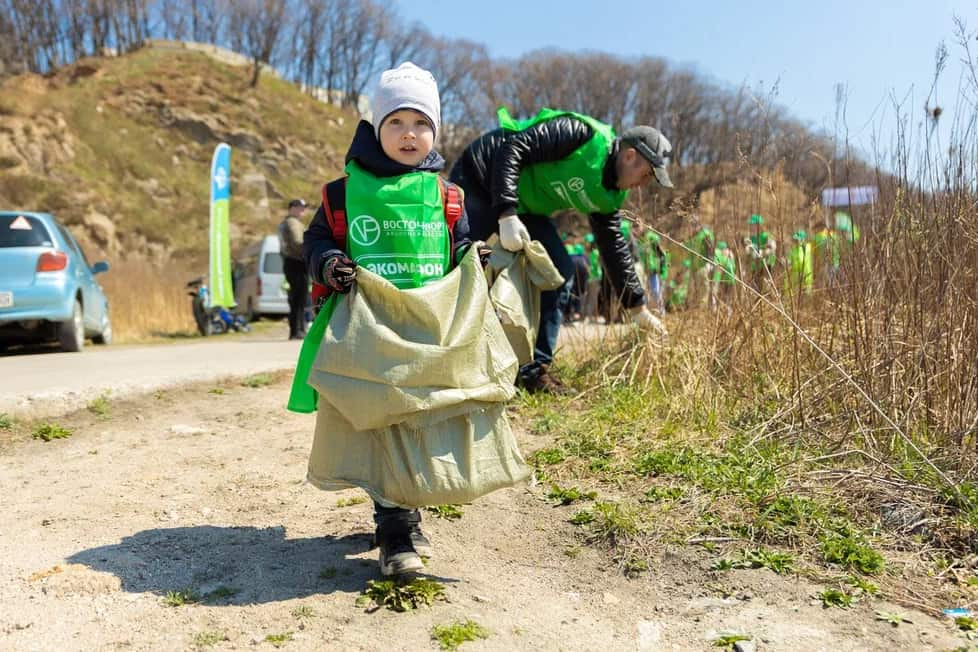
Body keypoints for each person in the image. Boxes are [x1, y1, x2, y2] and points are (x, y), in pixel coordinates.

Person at [302, 62, 476, 576]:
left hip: (426, 334)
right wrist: (329, 264)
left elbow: (460, 245)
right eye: (396, 121)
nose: (409, 134)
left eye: (421, 123)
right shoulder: (341, 194)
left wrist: (474, 259)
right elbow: (317, 242)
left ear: (435, 132)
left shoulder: (448, 196)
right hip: (367, 333)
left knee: (419, 422)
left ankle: (405, 509)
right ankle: (396, 530)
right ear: (376, 128)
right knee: (382, 425)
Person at [449, 107, 673, 392]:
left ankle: (534, 372)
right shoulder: (580, 135)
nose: (645, 184)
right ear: (630, 156)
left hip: (525, 207)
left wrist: (637, 306)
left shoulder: (610, 195)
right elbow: (513, 147)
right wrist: (506, 212)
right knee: (466, 265)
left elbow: (613, 247)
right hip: (481, 176)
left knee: (560, 271)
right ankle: (452, 359)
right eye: (648, 174)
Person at [279, 198, 309, 340]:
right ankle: (297, 331)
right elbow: (298, 243)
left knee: (297, 299)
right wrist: (311, 250)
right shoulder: (292, 223)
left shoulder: (288, 223)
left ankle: (297, 330)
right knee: (299, 299)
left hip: (291, 262)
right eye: (299, 207)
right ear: (291, 208)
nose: (302, 210)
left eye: (303, 207)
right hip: (296, 263)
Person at [743, 214, 776, 291]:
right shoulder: (751, 238)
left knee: (765, 289)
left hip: (766, 267)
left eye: (753, 225)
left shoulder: (766, 236)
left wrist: (762, 252)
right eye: (750, 225)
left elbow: (773, 249)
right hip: (754, 267)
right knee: (755, 289)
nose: (751, 227)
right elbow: (747, 249)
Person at [641, 231, 668, 315]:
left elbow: (662, 258)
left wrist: (661, 270)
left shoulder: (659, 252)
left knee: (656, 291)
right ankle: (645, 312)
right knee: (644, 293)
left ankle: (661, 311)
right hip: (644, 271)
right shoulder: (643, 246)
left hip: (653, 271)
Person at [710, 240, 736, 309]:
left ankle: (719, 309)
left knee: (719, 295)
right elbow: (733, 267)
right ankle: (726, 309)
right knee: (727, 297)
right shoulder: (730, 255)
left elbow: (720, 266)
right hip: (730, 279)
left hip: (721, 278)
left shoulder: (719, 253)